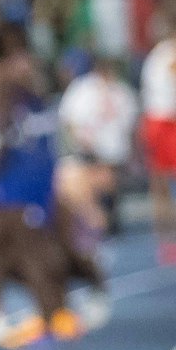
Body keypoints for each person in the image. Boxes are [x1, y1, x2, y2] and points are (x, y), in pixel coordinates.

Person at [0, 27, 103, 350]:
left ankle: (51, 318)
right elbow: (9, 141)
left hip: (25, 191)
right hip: (23, 189)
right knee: (3, 257)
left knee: (29, 257)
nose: (23, 64)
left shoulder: (22, 93)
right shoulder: (16, 93)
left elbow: (15, 141)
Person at [56, 56, 138, 250]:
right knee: (82, 185)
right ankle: (96, 223)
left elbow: (130, 122)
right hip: (89, 150)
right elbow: (68, 120)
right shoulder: (82, 89)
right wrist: (80, 142)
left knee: (108, 185)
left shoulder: (122, 91)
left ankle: (107, 220)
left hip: (114, 152)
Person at [143, 5, 176, 265]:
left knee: (160, 185)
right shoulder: (167, 55)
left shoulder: (157, 55)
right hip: (164, 123)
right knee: (161, 184)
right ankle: (166, 241)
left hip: (158, 121)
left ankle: (165, 240)